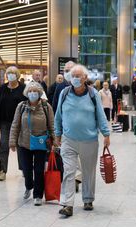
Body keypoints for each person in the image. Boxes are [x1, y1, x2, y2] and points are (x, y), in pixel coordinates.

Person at [54, 64, 111, 217]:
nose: (75, 79)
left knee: (88, 172)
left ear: (85, 78)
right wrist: (57, 134)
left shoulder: (93, 94)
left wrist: (106, 134)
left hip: (89, 140)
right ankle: (67, 204)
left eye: (78, 76)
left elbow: (100, 115)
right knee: (68, 171)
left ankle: (88, 199)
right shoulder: (64, 93)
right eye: (73, 76)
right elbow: (58, 115)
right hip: (68, 139)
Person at [9, 82, 55, 206]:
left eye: (35, 91)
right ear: (27, 93)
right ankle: (29, 186)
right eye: (30, 91)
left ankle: (38, 195)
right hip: (24, 143)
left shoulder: (46, 106)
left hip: (40, 142)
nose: (32, 93)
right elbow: (15, 124)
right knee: (26, 169)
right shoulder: (21, 106)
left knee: (39, 169)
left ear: (39, 93)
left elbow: (52, 125)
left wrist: (55, 141)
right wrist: (12, 141)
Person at [0, 66, 27, 181]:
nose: (10, 75)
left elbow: (29, 103)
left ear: (17, 75)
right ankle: (2, 171)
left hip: (19, 123)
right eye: (8, 73)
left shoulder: (23, 88)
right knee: (4, 145)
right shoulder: (3, 88)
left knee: (20, 145)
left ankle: (23, 168)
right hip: (5, 122)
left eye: (12, 73)